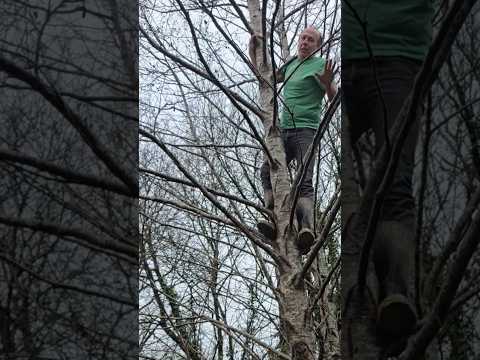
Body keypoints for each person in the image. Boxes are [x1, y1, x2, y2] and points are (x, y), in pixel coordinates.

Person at [341, 0, 434, 351]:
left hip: (398, 57)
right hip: (340, 63)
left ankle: (396, 297)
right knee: (338, 187)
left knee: (395, 186)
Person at [249, 27, 337, 254]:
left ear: (317, 46)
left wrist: (327, 84)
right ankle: (272, 216)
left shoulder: (320, 65)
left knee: (304, 179)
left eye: (311, 40)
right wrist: (253, 53)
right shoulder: (290, 64)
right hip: (283, 131)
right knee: (267, 171)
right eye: (303, 38)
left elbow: (334, 97)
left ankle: (306, 229)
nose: (305, 42)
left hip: (306, 130)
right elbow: (266, 78)